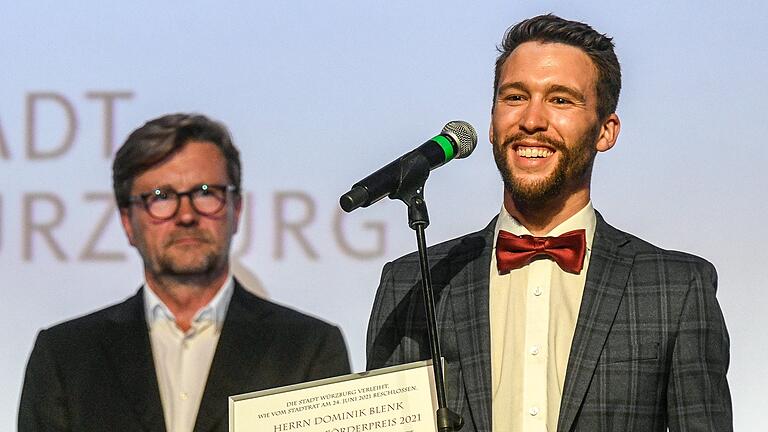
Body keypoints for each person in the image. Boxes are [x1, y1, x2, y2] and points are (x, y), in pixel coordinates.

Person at [366, 14, 731, 432]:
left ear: (606, 131)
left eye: (560, 100)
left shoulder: (676, 288)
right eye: (515, 97)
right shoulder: (413, 282)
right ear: (490, 122)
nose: (532, 120)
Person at [19, 113, 351, 432]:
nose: (186, 215)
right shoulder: (65, 355)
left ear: (236, 210)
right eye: (160, 197)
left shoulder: (307, 348)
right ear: (127, 222)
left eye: (205, 192)